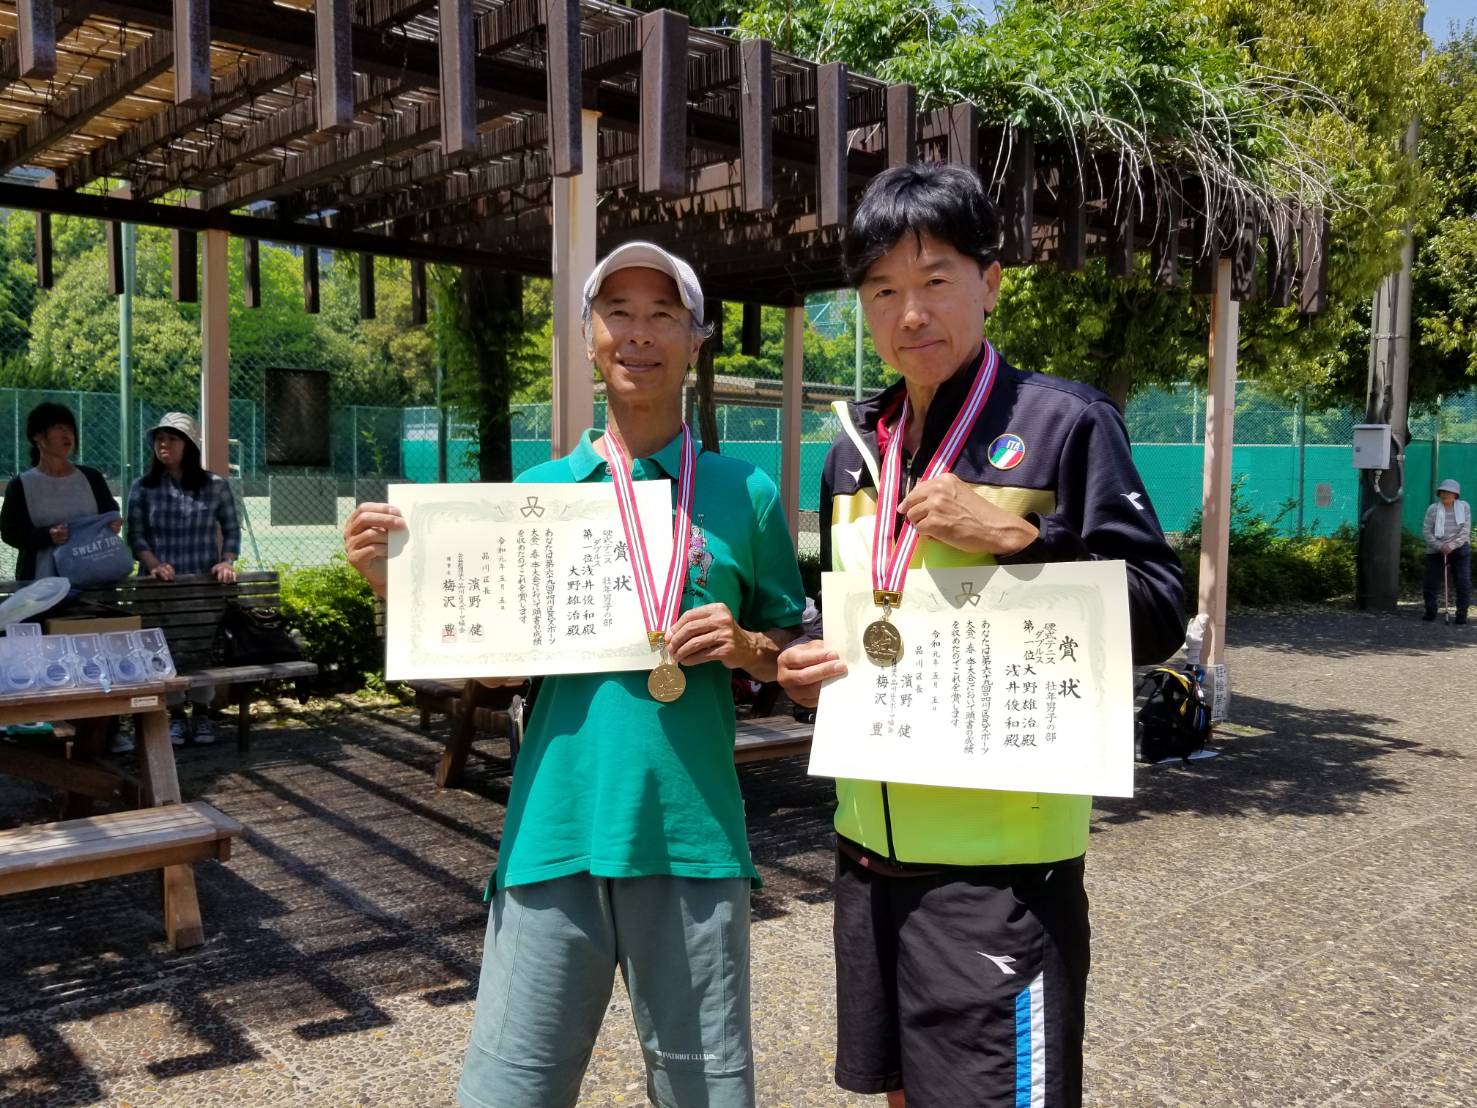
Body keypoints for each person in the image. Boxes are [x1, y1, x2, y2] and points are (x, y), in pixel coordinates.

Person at [342, 242, 806, 1108]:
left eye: (663, 315)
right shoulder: (539, 493)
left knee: (706, 1090)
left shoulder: (744, 492)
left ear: (696, 340)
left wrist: (748, 645)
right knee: (510, 1089)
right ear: (588, 339)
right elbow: (491, 667)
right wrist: (394, 586)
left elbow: (792, 653)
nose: (639, 333)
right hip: (554, 826)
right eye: (617, 313)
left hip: (690, 831)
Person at [776, 164, 1186, 1108]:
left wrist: (1022, 542)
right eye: (882, 290)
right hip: (865, 853)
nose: (909, 313)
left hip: (999, 875)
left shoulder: (1065, 423)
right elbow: (852, 611)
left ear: (990, 282)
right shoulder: (853, 448)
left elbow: (1160, 610)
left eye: (935, 280)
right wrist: (809, 666)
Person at [126, 412, 241, 744]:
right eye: (160, 438)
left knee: (202, 650)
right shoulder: (142, 488)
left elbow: (232, 530)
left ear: (188, 445)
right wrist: (154, 565)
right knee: (163, 650)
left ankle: (202, 715)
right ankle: (175, 715)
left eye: (172, 438)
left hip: (202, 587)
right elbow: (135, 536)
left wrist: (226, 562)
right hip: (158, 589)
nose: (164, 444)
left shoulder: (215, 485)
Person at [1, 401, 120, 581]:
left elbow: (110, 513)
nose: (67, 435)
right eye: (58, 428)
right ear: (37, 436)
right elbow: (10, 533)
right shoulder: (20, 485)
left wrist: (113, 523)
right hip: (41, 582)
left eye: (70, 429)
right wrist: (47, 536)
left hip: (93, 578)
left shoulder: (92, 478)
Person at [1422, 478, 1470, 624]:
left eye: (1449, 492)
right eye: (1442, 492)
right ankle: (1430, 610)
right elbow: (1426, 531)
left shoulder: (1464, 507)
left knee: (1463, 582)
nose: (1445, 494)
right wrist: (1439, 545)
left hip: (1459, 548)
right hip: (1436, 549)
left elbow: (1465, 531)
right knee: (1430, 582)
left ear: (1456, 495)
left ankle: (1461, 614)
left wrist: (1451, 546)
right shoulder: (1432, 509)